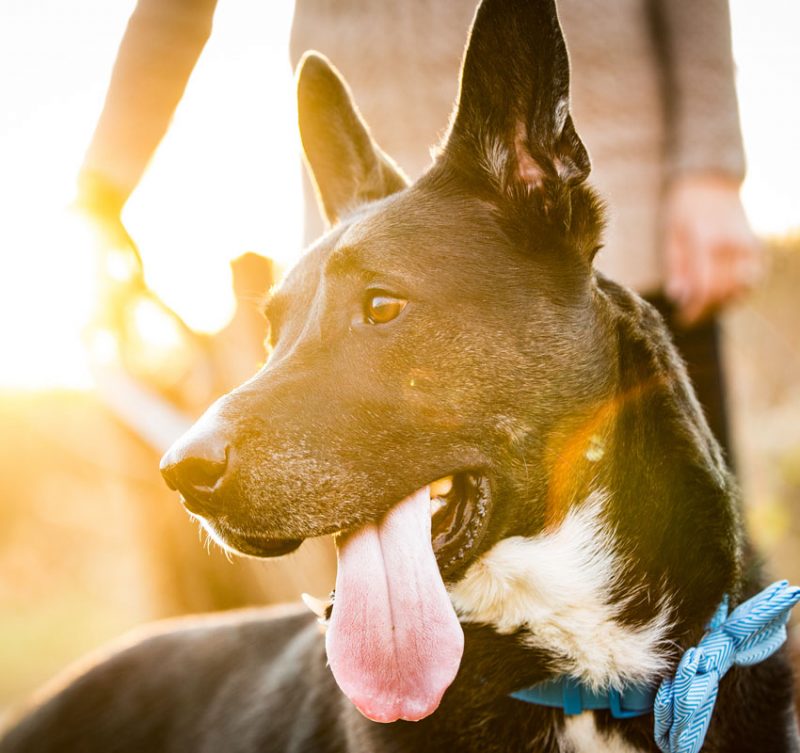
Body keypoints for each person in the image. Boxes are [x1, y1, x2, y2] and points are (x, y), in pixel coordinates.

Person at [77, 0, 759, 458]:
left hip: (601, 188)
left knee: (687, 556)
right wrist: (103, 184)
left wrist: (709, 166)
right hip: (357, 197)